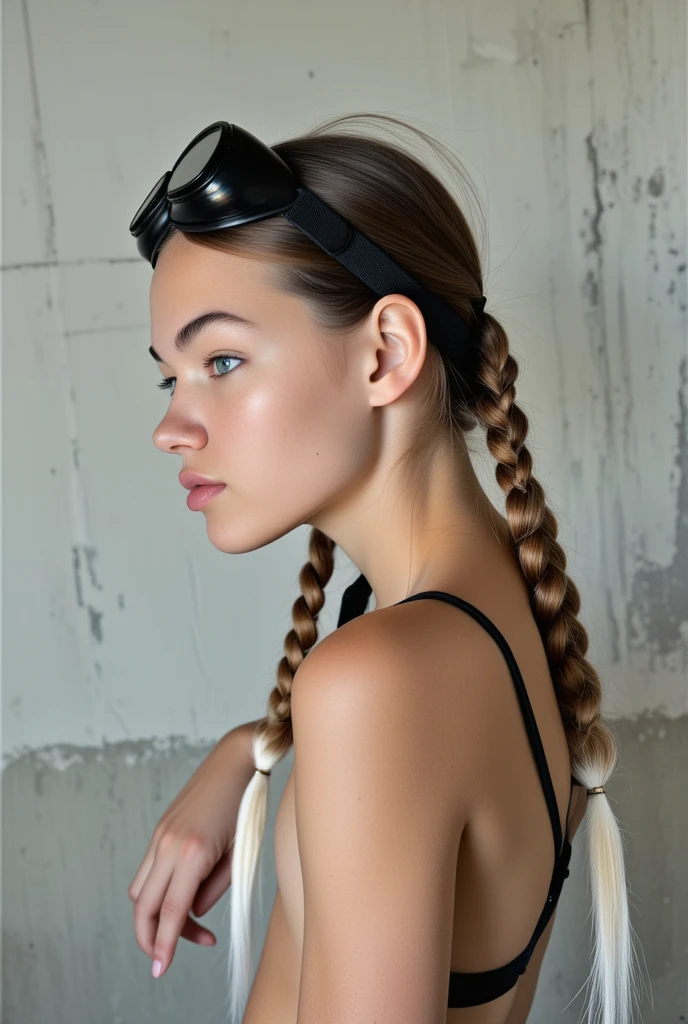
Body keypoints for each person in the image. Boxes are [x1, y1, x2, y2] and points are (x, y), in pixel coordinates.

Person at [126, 113, 643, 1024]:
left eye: (224, 359)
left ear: (386, 353)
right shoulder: (492, 606)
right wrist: (254, 748)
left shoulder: (377, 679)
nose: (173, 425)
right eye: (174, 376)